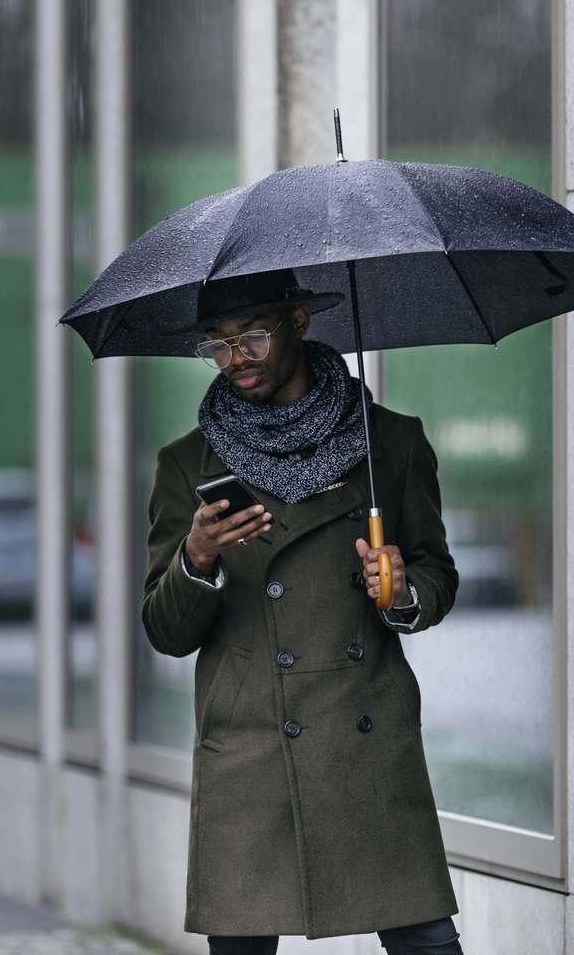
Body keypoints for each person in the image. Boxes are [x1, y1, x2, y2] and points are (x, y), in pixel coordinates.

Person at [141, 268, 466, 953]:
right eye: (218, 344)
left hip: (367, 742)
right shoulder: (186, 466)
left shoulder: (391, 443)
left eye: (253, 335)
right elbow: (166, 632)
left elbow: (437, 573)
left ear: (299, 320)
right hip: (250, 746)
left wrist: (400, 591)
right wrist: (196, 559)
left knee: (427, 943)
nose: (235, 359)